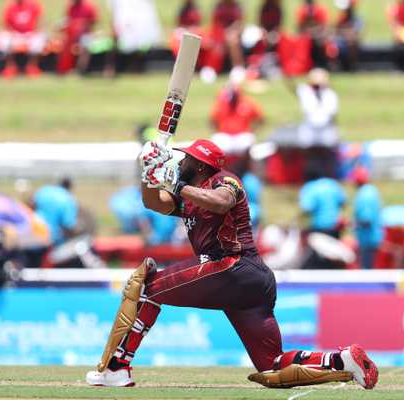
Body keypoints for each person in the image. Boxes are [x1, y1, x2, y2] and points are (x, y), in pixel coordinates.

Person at [85, 138, 378, 389]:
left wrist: (175, 183)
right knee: (272, 366)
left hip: (232, 266)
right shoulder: (191, 193)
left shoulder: (226, 180)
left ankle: (116, 367)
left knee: (147, 288)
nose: (181, 161)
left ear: (200, 165)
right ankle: (342, 361)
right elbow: (155, 203)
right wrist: (148, 174)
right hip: (247, 281)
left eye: (186, 158)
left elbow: (221, 202)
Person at [286, 68, 340, 179]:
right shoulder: (306, 92)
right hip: (310, 130)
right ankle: (311, 176)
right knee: (310, 156)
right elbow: (294, 87)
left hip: (326, 130)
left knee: (326, 155)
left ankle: (328, 177)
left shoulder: (330, 95)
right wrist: (289, 75)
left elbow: (333, 115)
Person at [210, 83, 264, 175]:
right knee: (215, 146)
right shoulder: (221, 103)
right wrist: (218, 131)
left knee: (248, 143)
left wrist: (252, 131)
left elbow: (261, 119)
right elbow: (212, 120)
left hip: (242, 135)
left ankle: (246, 171)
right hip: (225, 135)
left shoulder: (247, 103)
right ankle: (219, 172)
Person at [0, 0, 45, 79]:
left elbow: (39, 23)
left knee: (39, 38)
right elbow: (5, 25)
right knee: (4, 38)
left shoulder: (34, 5)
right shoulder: (10, 7)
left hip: (30, 34)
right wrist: (13, 35)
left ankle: (32, 66)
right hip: (15, 35)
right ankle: (10, 66)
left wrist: (32, 33)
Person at [350, 166, 383, 270]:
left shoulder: (365, 194)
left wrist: (352, 224)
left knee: (367, 270)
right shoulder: (371, 191)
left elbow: (366, 219)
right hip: (373, 237)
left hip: (368, 239)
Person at [298, 171, 346, 239]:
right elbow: (342, 202)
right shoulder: (332, 184)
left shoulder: (310, 187)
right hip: (336, 226)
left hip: (319, 227)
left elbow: (307, 208)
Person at [56, 0, 98, 75]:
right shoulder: (71, 7)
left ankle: (81, 70)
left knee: (85, 45)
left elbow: (93, 21)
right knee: (64, 44)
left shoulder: (89, 7)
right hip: (72, 33)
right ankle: (64, 69)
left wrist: (81, 26)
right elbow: (68, 20)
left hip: (85, 33)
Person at [33, 177, 78, 247]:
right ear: (69, 187)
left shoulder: (44, 190)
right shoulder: (68, 199)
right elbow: (68, 225)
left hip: (34, 233)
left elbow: (32, 206)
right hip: (52, 241)